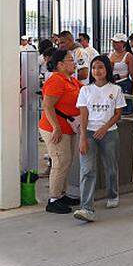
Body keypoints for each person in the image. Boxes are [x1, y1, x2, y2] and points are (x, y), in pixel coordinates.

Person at [73, 56, 127, 222]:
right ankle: (86, 207)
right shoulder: (85, 90)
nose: (97, 71)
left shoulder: (115, 89)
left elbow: (118, 114)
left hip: (109, 133)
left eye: (101, 67)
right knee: (87, 170)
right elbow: (83, 114)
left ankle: (113, 194)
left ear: (107, 70)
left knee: (110, 166)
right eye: (94, 67)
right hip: (89, 133)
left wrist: (105, 127)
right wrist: (82, 137)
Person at [39, 49, 82, 213]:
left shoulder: (71, 80)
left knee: (66, 161)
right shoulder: (56, 81)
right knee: (60, 161)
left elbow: (86, 91)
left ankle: (61, 194)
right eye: (70, 60)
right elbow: (47, 106)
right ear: (60, 64)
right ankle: (53, 199)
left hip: (68, 129)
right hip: (55, 129)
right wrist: (56, 127)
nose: (74, 63)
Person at [108, 34, 133, 115]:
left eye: (117, 42)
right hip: (112, 84)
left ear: (123, 43)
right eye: (113, 42)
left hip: (124, 84)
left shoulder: (128, 56)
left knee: (124, 110)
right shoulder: (111, 54)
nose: (114, 44)